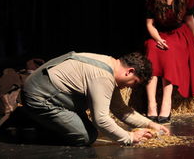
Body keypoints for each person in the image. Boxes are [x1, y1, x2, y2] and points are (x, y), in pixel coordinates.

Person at [21, 50, 170, 146]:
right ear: (129, 71)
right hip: (39, 97)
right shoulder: (103, 76)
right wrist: (129, 137)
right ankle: (36, 121)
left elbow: (120, 109)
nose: (131, 87)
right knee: (87, 136)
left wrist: (151, 125)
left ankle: (45, 121)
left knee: (89, 128)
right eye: (134, 82)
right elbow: (101, 120)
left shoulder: (110, 65)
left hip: (51, 93)